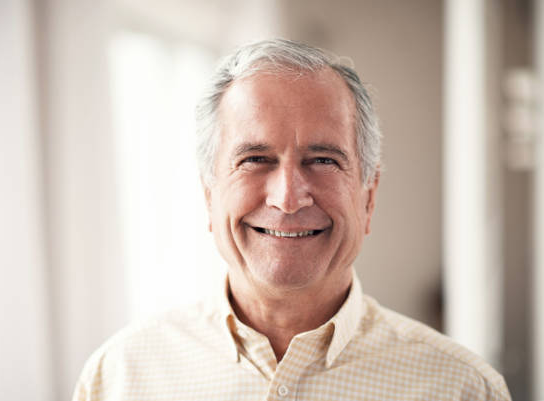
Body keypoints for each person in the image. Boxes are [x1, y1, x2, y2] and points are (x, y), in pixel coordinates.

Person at [72, 39, 511, 400]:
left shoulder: (463, 389)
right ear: (209, 196)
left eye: (322, 159)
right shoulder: (119, 379)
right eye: (255, 159)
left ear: (368, 198)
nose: (287, 198)